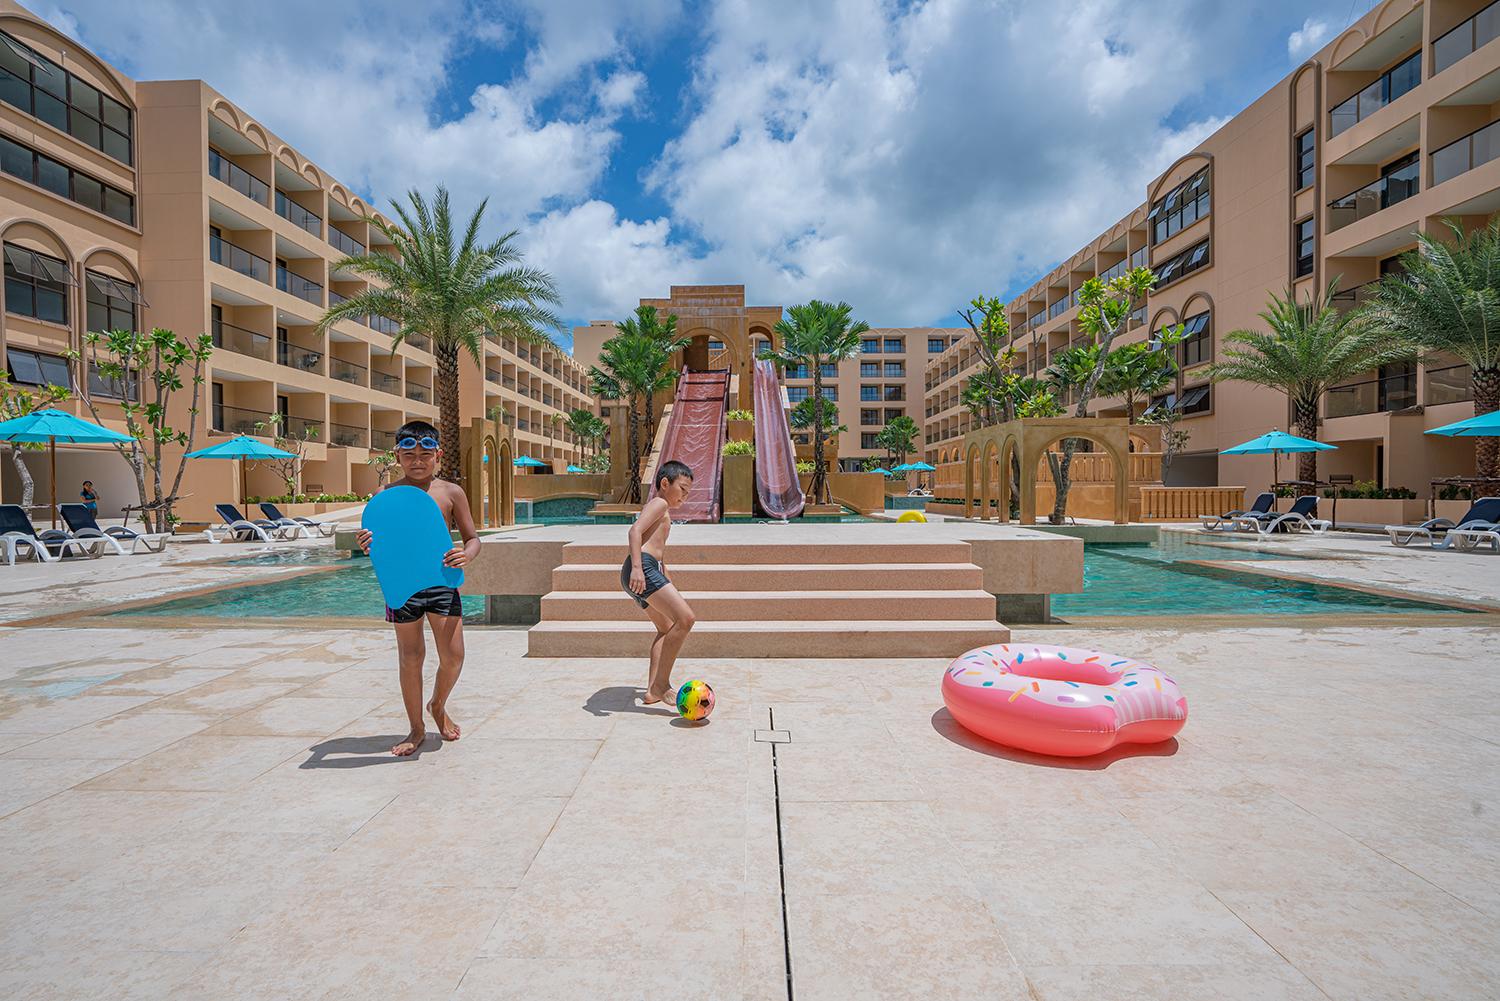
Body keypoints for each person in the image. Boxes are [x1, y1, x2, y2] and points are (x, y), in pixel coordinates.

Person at [354, 420, 480, 756]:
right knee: (411, 657)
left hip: (441, 579)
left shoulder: (451, 492)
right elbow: (376, 542)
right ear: (398, 456)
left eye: (426, 453)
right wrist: (366, 543)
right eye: (410, 454)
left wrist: (465, 554)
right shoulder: (384, 496)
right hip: (401, 584)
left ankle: (437, 705)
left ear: (438, 454)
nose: (418, 460)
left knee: (453, 656)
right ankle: (416, 727)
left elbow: (473, 538)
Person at [622, 460, 696, 707]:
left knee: (666, 629)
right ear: (665, 483)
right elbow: (634, 532)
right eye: (682, 489)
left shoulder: (661, 508)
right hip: (641, 567)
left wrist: (665, 572)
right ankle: (661, 685)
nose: (684, 497)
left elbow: (656, 546)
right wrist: (636, 568)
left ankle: (652, 691)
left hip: (648, 567)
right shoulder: (660, 502)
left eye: (688, 492)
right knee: (685, 619)